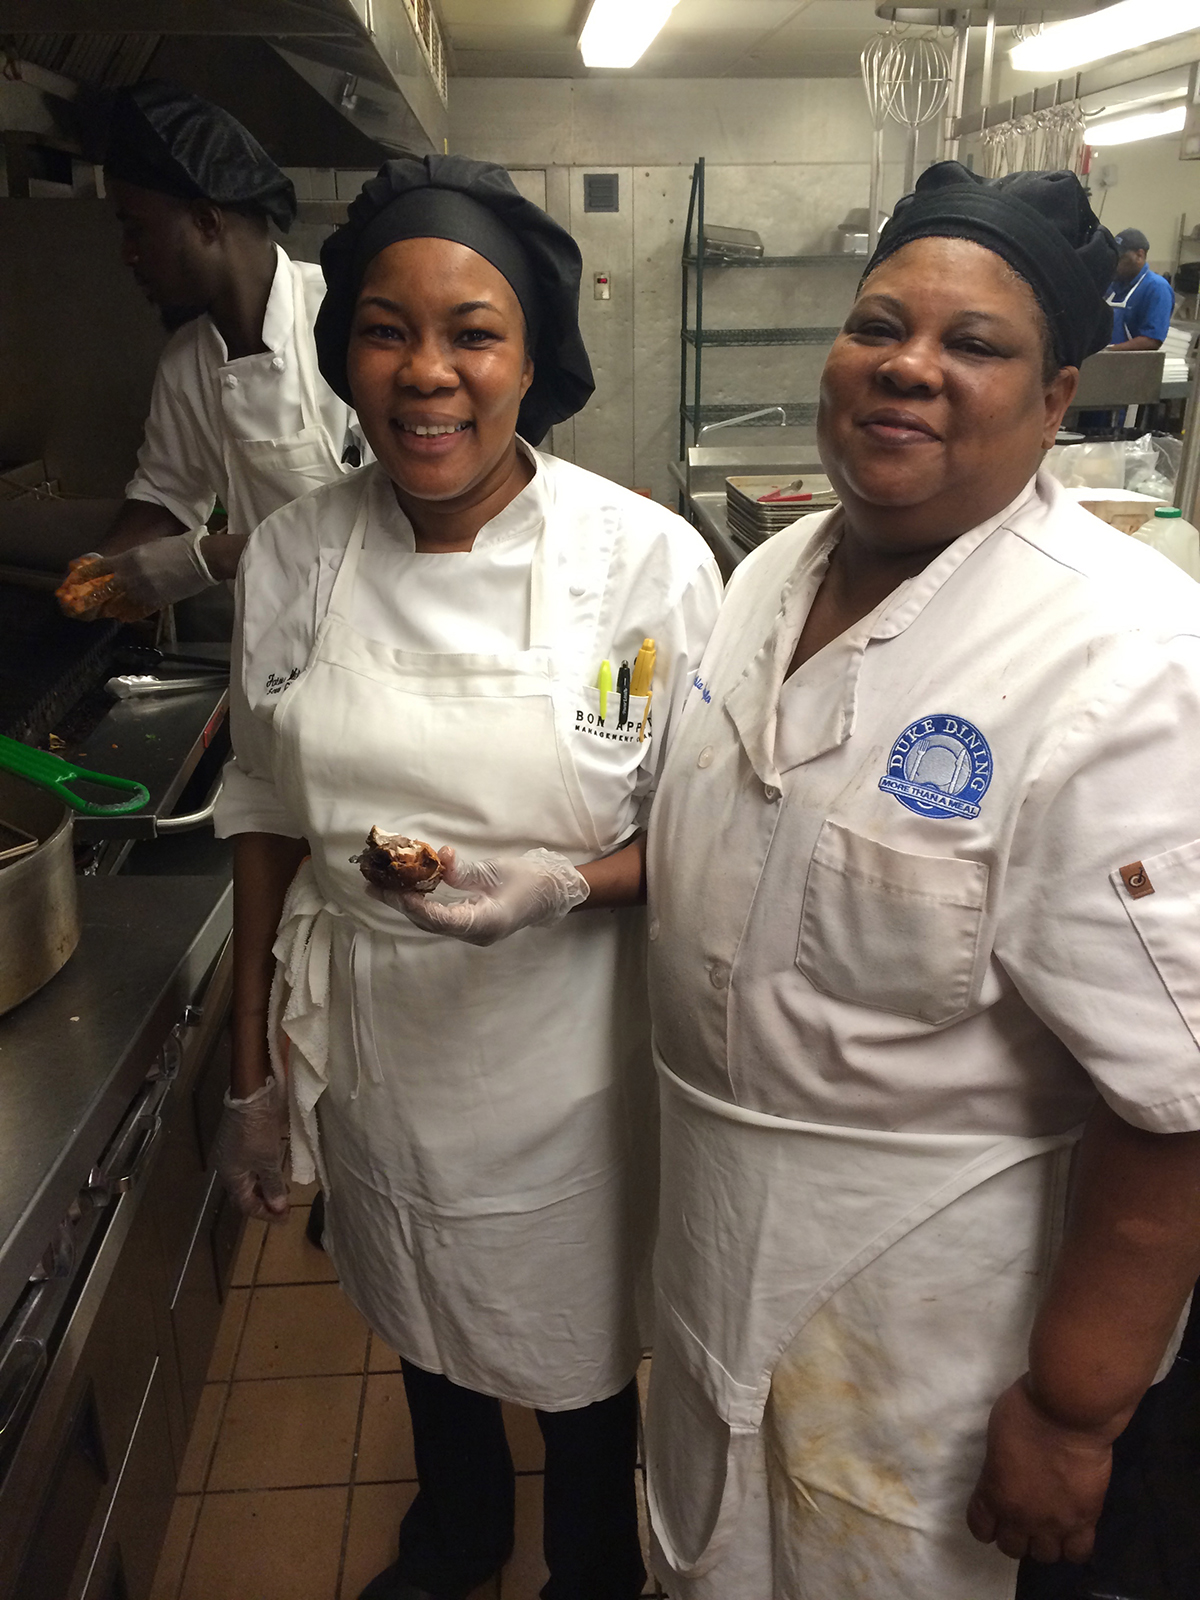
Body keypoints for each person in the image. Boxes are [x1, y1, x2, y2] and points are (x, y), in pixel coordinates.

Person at [642, 162, 1200, 1600]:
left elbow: (1176, 1101)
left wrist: (1076, 1414)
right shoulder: (771, 574)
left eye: (975, 344)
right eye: (879, 323)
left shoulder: (1122, 662)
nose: (909, 367)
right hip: (720, 1250)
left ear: (1058, 394)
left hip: (931, 1321)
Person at [209, 154, 720, 1600]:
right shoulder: (296, 558)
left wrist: (563, 888)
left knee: (570, 1341)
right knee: (415, 1300)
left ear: (533, 356)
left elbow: (708, 835)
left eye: (472, 332)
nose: (427, 374)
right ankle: (454, 1529)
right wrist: (249, 1061)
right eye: (387, 328)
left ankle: (588, 1563)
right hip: (380, 1040)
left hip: (568, 1053)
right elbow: (258, 802)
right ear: (345, 351)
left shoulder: (645, 567)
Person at [57, 82, 361, 630]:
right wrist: (102, 572)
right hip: (275, 644)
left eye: (136, 228)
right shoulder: (186, 363)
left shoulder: (346, 321)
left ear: (205, 221)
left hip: (376, 640)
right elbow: (167, 493)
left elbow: (408, 524)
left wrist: (206, 557)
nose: (128, 255)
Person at [1107, 227, 1174, 350]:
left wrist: (1109, 351)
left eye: (1120, 259)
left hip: (1135, 365)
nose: (1114, 264)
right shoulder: (1112, 286)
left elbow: (1151, 340)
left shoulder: (1157, 287)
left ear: (1139, 255)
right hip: (1103, 361)